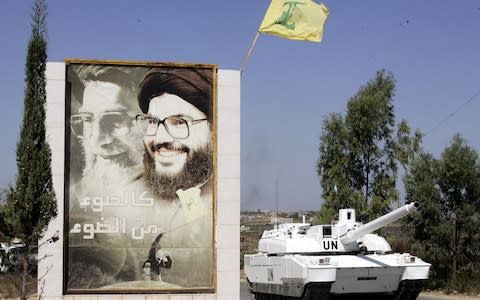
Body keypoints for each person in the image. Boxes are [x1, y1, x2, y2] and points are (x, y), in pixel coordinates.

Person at [67, 65, 147, 289]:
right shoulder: (72, 199)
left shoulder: (180, 203)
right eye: (87, 120)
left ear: (149, 122)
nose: (98, 141)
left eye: (116, 120)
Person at [134, 67, 215, 287]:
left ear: (212, 130)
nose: (160, 138)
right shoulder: (129, 189)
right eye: (152, 122)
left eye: (179, 123)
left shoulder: (212, 200)